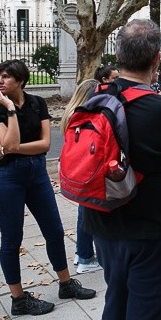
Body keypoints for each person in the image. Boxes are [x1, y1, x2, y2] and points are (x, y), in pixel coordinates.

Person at [82, 19, 161, 320]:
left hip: (103, 222)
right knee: (146, 316)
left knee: (116, 302)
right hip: (152, 229)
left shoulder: (95, 99)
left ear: (118, 56)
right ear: (156, 58)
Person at [0, 59, 97, 317]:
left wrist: (8, 149)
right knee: (12, 239)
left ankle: (66, 284)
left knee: (54, 230)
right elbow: (10, 141)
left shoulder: (37, 103)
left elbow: (44, 144)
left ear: (21, 80)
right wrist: (11, 111)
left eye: (6, 76)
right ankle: (18, 299)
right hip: (6, 179)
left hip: (37, 175)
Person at [61, 78, 103, 274]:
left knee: (83, 212)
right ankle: (86, 257)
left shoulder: (71, 115)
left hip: (76, 170)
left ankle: (82, 253)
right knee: (89, 214)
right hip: (90, 171)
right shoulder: (87, 117)